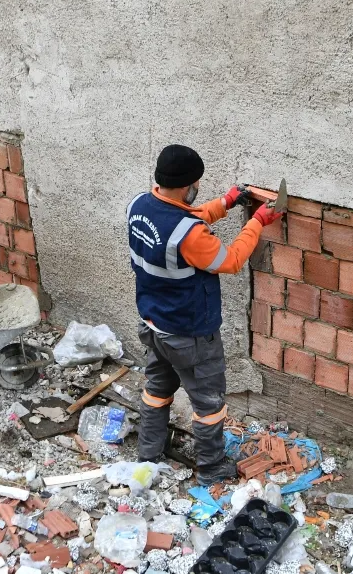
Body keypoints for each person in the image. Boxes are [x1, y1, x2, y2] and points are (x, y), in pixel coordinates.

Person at [127, 144, 284, 485]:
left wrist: (226, 203)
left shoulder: (139, 205)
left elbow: (180, 225)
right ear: (188, 186)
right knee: (209, 404)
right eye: (197, 183)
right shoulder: (189, 234)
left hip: (153, 326)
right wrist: (257, 221)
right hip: (190, 334)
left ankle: (148, 454)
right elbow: (230, 260)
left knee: (157, 389)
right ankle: (212, 468)